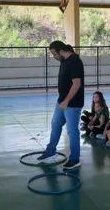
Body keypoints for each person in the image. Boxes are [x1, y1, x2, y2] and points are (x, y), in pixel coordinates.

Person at [35, 41, 85, 170]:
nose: (54, 57)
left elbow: (76, 84)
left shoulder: (74, 62)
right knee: (55, 124)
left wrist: (66, 101)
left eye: (54, 54)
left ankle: (75, 159)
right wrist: (62, 100)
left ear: (61, 51)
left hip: (72, 104)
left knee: (72, 131)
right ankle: (50, 151)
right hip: (61, 101)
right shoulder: (64, 60)